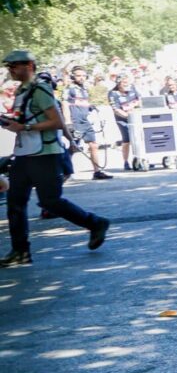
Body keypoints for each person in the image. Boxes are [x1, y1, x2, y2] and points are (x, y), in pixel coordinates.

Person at [1, 51, 109, 266]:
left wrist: (25, 127)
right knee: (15, 203)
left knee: (51, 201)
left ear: (29, 65)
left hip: (45, 155)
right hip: (25, 154)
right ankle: (20, 251)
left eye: (15, 65)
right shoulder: (22, 91)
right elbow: (24, 121)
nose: (11, 69)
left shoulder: (39, 89)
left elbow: (56, 122)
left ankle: (95, 223)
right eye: (9, 66)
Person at [63, 67, 113, 179]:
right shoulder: (69, 88)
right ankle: (64, 172)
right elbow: (65, 104)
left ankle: (97, 172)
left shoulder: (84, 89)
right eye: (78, 75)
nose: (81, 78)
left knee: (93, 145)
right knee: (73, 147)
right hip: (75, 121)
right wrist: (68, 122)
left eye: (83, 75)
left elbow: (82, 103)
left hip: (85, 121)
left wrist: (90, 107)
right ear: (73, 76)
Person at [108, 73, 141, 170]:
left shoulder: (132, 88)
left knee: (139, 138)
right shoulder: (113, 93)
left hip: (135, 117)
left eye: (127, 82)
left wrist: (135, 106)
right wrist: (128, 115)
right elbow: (116, 109)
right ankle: (126, 162)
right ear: (118, 83)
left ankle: (141, 157)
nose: (126, 85)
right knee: (127, 140)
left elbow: (139, 99)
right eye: (124, 83)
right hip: (122, 119)